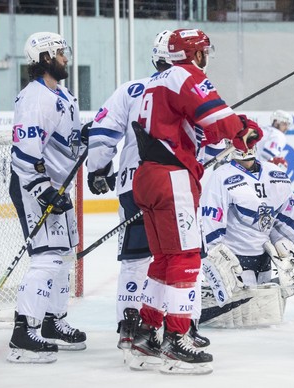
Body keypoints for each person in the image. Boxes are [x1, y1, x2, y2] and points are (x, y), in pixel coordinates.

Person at [130, 27, 263, 375]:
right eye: (204, 51)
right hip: (171, 178)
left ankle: (146, 334)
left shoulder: (156, 81)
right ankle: (176, 340)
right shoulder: (188, 75)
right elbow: (216, 119)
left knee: (164, 259)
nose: (206, 58)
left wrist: (237, 126)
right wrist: (241, 131)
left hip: (148, 175)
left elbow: (197, 126)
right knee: (187, 257)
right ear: (196, 54)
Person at [86, 29, 209, 356]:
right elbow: (208, 139)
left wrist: (98, 169)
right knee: (183, 254)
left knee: (137, 258)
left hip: (133, 185)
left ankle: (131, 328)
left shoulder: (131, 89)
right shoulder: (188, 87)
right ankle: (185, 325)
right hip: (175, 184)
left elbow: (102, 131)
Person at [7, 32, 88, 363]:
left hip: (57, 187)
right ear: (43, 59)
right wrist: (44, 190)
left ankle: (54, 321)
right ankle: (22, 333)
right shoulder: (34, 98)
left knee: (65, 255)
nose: (65, 58)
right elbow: (24, 153)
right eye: (58, 53)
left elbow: (70, 142)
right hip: (36, 188)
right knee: (47, 257)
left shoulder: (63, 94)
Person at [199, 147, 294, 328]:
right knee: (237, 319)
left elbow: (285, 215)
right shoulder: (222, 176)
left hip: (264, 256)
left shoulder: (275, 174)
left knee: (260, 316)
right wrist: (216, 259)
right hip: (233, 259)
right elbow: (211, 218)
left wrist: (283, 244)